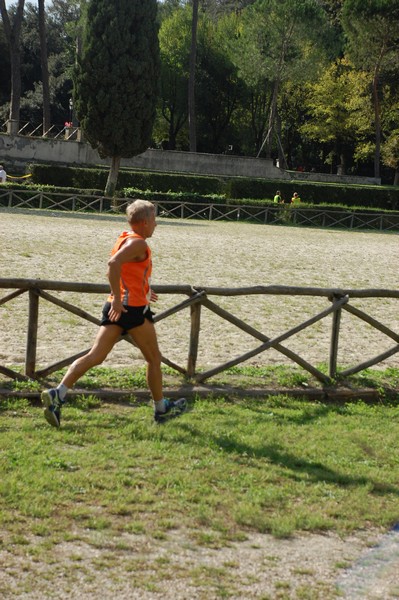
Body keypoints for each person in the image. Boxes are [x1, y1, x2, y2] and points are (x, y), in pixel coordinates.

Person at [41, 199, 187, 427]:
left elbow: (126, 270)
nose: (156, 225)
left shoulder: (124, 238)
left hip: (117, 308)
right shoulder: (139, 244)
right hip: (131, 310)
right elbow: (113, 264)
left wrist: (144, 288)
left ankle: (58, 394)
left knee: (95, 356)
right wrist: (120, 299)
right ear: (146, 221)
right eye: (155, 220)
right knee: (154, 359)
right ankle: (161, 409)